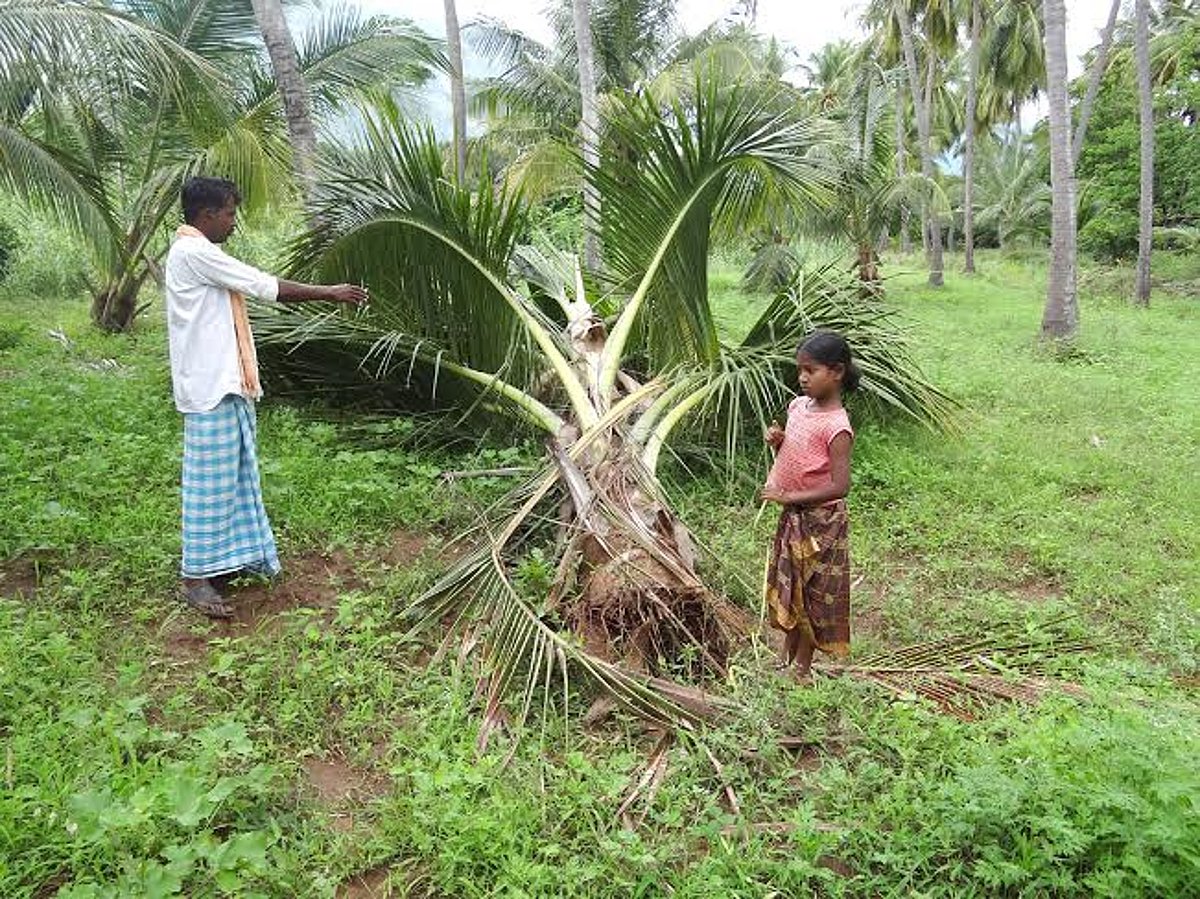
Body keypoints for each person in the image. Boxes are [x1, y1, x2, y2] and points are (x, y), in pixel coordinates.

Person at [166, 176, 367, 618]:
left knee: (233, 479)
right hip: (210, 388)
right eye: (229, 214)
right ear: (207, 215)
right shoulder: (195, 252)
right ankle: (196, 579)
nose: (233, 222)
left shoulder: (196, 251)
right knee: (208, 487)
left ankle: (225, 561)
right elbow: (264, 285)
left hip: (224, 383)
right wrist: (330, 292)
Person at [760, 330, 858, 682]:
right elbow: (797, 451)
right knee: (792, 587)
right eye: (799, 369)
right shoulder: (797, 406)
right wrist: (778, 440)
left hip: (821, 521)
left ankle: (802, 667)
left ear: (837, 372)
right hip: (794, 517)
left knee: (813, 592)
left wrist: (789, 498)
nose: (802, 377)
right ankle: (785, 656)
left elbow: (839, 486)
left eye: (810, 370)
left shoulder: (837, 427)